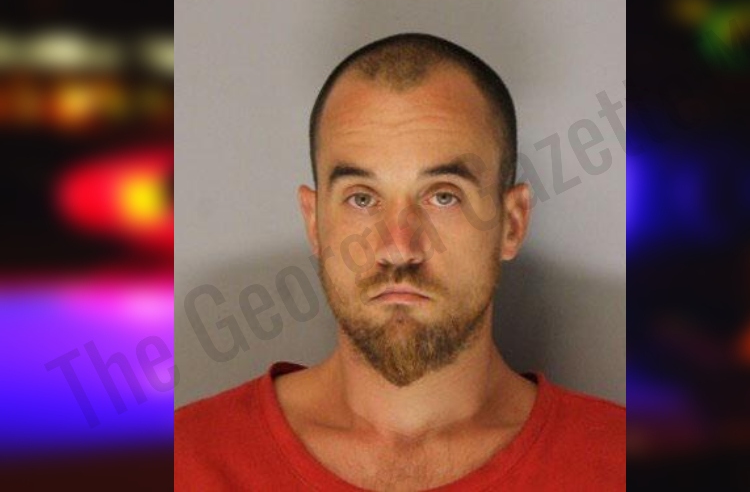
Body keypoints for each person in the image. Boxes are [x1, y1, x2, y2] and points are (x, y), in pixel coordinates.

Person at [175, 33, 625, 491]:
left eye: (444, 196)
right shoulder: (183, 461)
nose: (399, 248)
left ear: (512, 223)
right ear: (314, 224)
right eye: (362, 198)